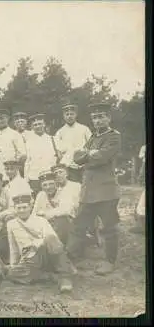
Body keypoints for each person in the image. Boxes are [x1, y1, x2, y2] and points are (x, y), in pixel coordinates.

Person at [67, 102, 122, 275]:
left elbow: (102, 158)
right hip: (88, 190)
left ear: (108, 118)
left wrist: (88, 155)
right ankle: (69, 257)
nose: (97, 120)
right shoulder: (92, 138)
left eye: (101, 117)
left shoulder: (114, 136)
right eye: (94, 118)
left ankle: (109, 261)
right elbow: (77, 158)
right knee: (79, 225)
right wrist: (89, 154)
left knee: (109, 227)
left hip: (106, 191)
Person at [5, 188, 75, 293]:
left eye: (24, 207)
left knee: (51, 239)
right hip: (29, 260)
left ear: (30, 207)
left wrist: (36, 243)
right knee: (11, 273)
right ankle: (49, 276)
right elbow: (13, 247)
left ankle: (65, 277)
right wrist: (14, 265)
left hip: (43, 255)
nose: (22, 210)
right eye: (18, 208)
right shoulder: (11, 224)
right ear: (14, 209)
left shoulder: (41, 220)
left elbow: (52, 240)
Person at [32, 170, 79, 245]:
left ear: (56, 184)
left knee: (61, 219)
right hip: (47, 226)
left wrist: (45, 214)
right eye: (45, 185)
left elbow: (66, 210)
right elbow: (34, 213)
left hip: (65, 227)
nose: (48, 187)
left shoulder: (64, 192)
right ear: (41, 186)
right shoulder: (41, 195)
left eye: (51, 184)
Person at [54, 102, 92, 183]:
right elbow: (58, 151)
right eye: (67, 114)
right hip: (68, 167)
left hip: (83, 166)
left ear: (76, 115)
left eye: (72, 114)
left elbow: (91, 145)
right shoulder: (60, 132)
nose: (69, 116)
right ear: (64, 116)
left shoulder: (84, 129)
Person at [0, 109, 26, 182]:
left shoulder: (15, 134)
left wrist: (14, 167)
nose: (0, 121)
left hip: (11, 170)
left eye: (2, 118)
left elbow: (22, 154)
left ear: (7, 119)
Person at [24, 113, 58, 196]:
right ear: (32, 127)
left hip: (50, 176)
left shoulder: (52, 139)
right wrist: (26, 178)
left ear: (44, 125)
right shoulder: (28, 142)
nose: (38, 126)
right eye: (35, 125)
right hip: (34, 177)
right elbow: (27, 161)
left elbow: (60, 157)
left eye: (40, 124)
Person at [12, 111, 31, 178]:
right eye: (18, 122)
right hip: (17, 163)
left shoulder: (31, 134)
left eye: (22, 121)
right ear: (14, 124)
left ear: (26, 122)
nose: (20, 124)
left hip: (30, 163)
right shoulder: (12, 135)